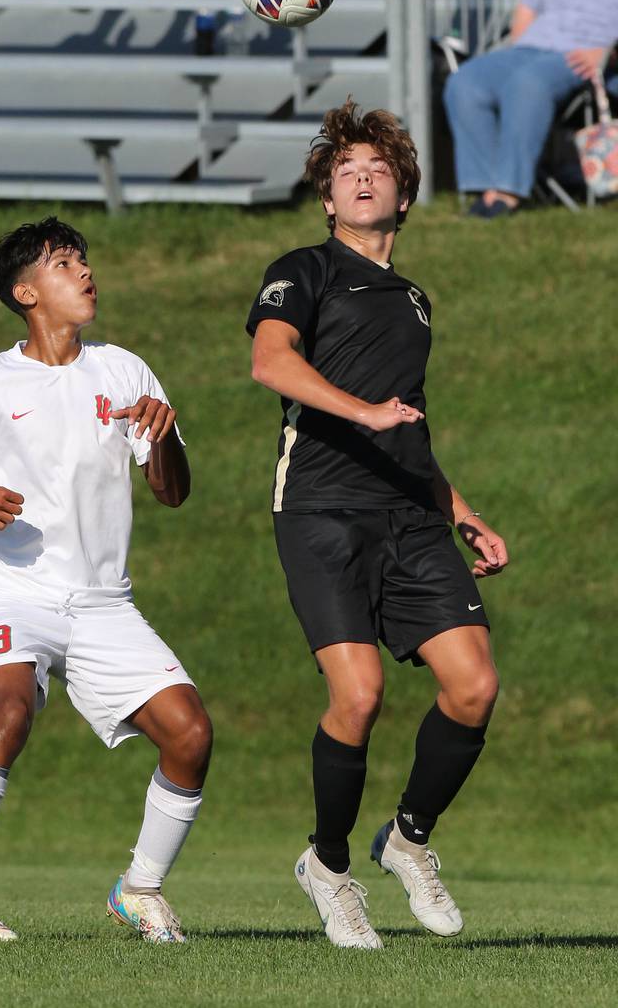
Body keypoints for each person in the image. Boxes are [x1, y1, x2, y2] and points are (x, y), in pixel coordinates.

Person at [0, 216, 212, 943]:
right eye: (66, 263)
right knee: (8, 711)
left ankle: (140, 889)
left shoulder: (125, 369)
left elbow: (171, 492)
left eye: (85, 261)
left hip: (104, 603)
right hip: (17, 590)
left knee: (191, 734)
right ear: (26, 291)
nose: (86, 272)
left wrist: (162, 440)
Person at [246, 99, 508, 949]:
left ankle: (408, 840)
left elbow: (409, 420)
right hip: (321, 508)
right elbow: (270, 361)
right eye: (343, 171)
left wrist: (459, 510)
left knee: (473, 687)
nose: (360, 179)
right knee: (358, 698)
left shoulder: (416, 301)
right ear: (327, 197)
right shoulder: (305, 268)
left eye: (376, 168)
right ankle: (327, 866)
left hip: (410, 515)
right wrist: (360, 411)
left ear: (403, 192)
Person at [444, 0, 618, 217]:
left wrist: (605, 55)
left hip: (583, 58)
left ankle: (509, 191)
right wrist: (522, 40)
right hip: (529, 48)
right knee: (465, 82)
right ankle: (485, 187)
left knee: (528, 84)